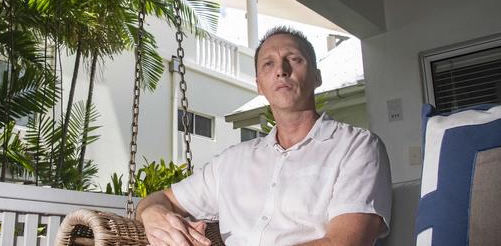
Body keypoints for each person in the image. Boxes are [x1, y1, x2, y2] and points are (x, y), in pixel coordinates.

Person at [137, 26, 392, 246]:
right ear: (259, 84)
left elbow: (346, 243)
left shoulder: (356, 146)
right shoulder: (231, 162)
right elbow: (159, 199)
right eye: (268, 63)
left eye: (294, 59)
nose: (281, 70)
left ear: (317, 77)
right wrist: (153, 214)